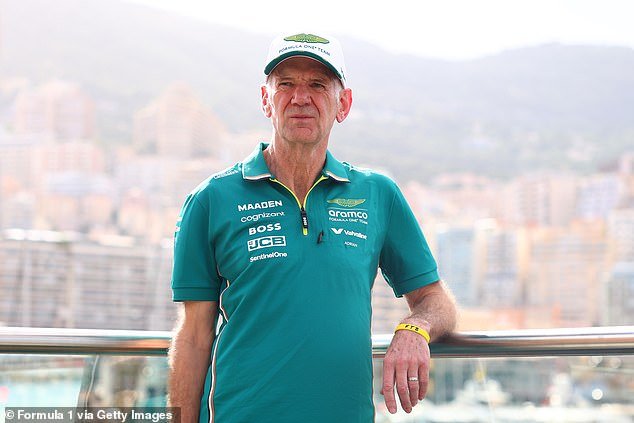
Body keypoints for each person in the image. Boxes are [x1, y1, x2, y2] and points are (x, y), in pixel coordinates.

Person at [168, 32, 457, 423]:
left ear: (343, 104)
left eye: (318, 85)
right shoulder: (211, 200)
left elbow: (436, 300)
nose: (300, 97)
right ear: (266, 100)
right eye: (286, 84)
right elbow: (193, 336)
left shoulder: (378, 194)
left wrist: (414, 328)